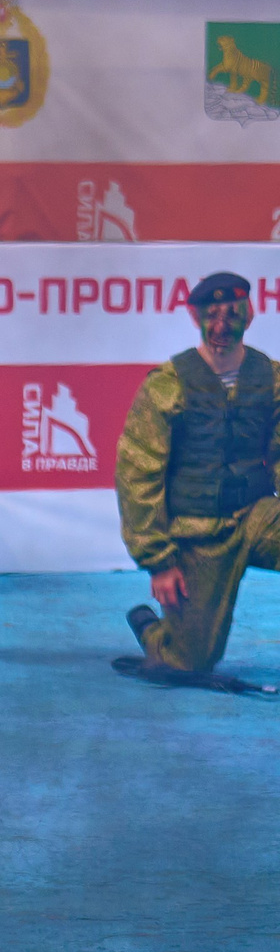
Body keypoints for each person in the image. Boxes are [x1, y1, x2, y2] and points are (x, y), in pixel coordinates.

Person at [117, 273, 280, 682]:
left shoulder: (273, 379)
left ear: (251, 313)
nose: (222, 327)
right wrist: (158, 561)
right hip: (197, 532)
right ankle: (153, 631)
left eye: (233, 314)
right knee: (188, 663)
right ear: (195, 318)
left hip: (257, 516)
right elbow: (138, 474)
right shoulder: (167, 386)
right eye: (212, 316)